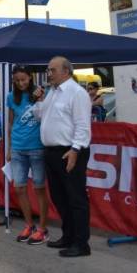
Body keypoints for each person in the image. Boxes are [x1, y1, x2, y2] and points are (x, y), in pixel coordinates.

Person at [33, 56, 92, 257]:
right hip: (52, 151)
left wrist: (75, 150)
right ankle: (68, 236)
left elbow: (83, 125)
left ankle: (81, 243)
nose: (49, 74)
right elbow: (40, 116)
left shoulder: (77, 93)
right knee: (60, 198)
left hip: (70, 150)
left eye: (53, 70)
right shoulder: (52, 92)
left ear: (66, 71)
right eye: (48, 70)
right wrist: (39, 101)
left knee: (76, 198)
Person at [7, 66, 49, 245]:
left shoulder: (40, 93)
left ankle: (42, 228)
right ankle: (29, 225)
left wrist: (41, 99)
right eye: (17, 80)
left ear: (30, 77)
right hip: (18, 147)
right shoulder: (11, 97)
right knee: (19, 188)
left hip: (37, 147)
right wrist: (9, 147)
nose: (20, 83)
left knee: (39, 188)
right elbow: (10, 123)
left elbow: (48, 116)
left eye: (23, 79)